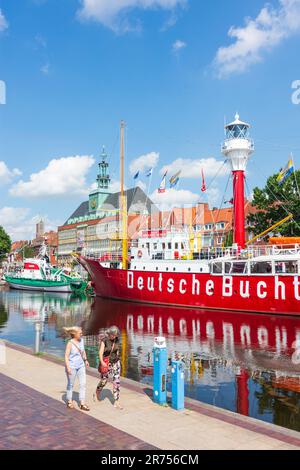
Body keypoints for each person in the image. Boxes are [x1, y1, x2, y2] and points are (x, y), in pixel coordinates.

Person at [64, 326, 90, 411]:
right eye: (80, 333)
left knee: (83, 384)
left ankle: (82, 403)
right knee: (71, 384)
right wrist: (68, 367)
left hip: (81, 366)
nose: (82, 334)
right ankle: (69, 401)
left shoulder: (81, 340)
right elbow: (66, 356)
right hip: (72, 367)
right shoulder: (70, 343)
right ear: (75, 334)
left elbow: (83, 351)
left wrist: (85, 360)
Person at [96, 326, 122, 409]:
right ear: (109, 333)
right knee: (104, 380)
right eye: (113, 335)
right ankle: (97, 392)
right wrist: (102, 362)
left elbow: (117, 350)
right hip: (107, 362)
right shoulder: (105, 340)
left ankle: (116, 402)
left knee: (116, 381)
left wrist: (118, 359)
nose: (114, 336)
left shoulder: (117, 339)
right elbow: (100, 352)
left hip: (116, 362)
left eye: (115, 335)